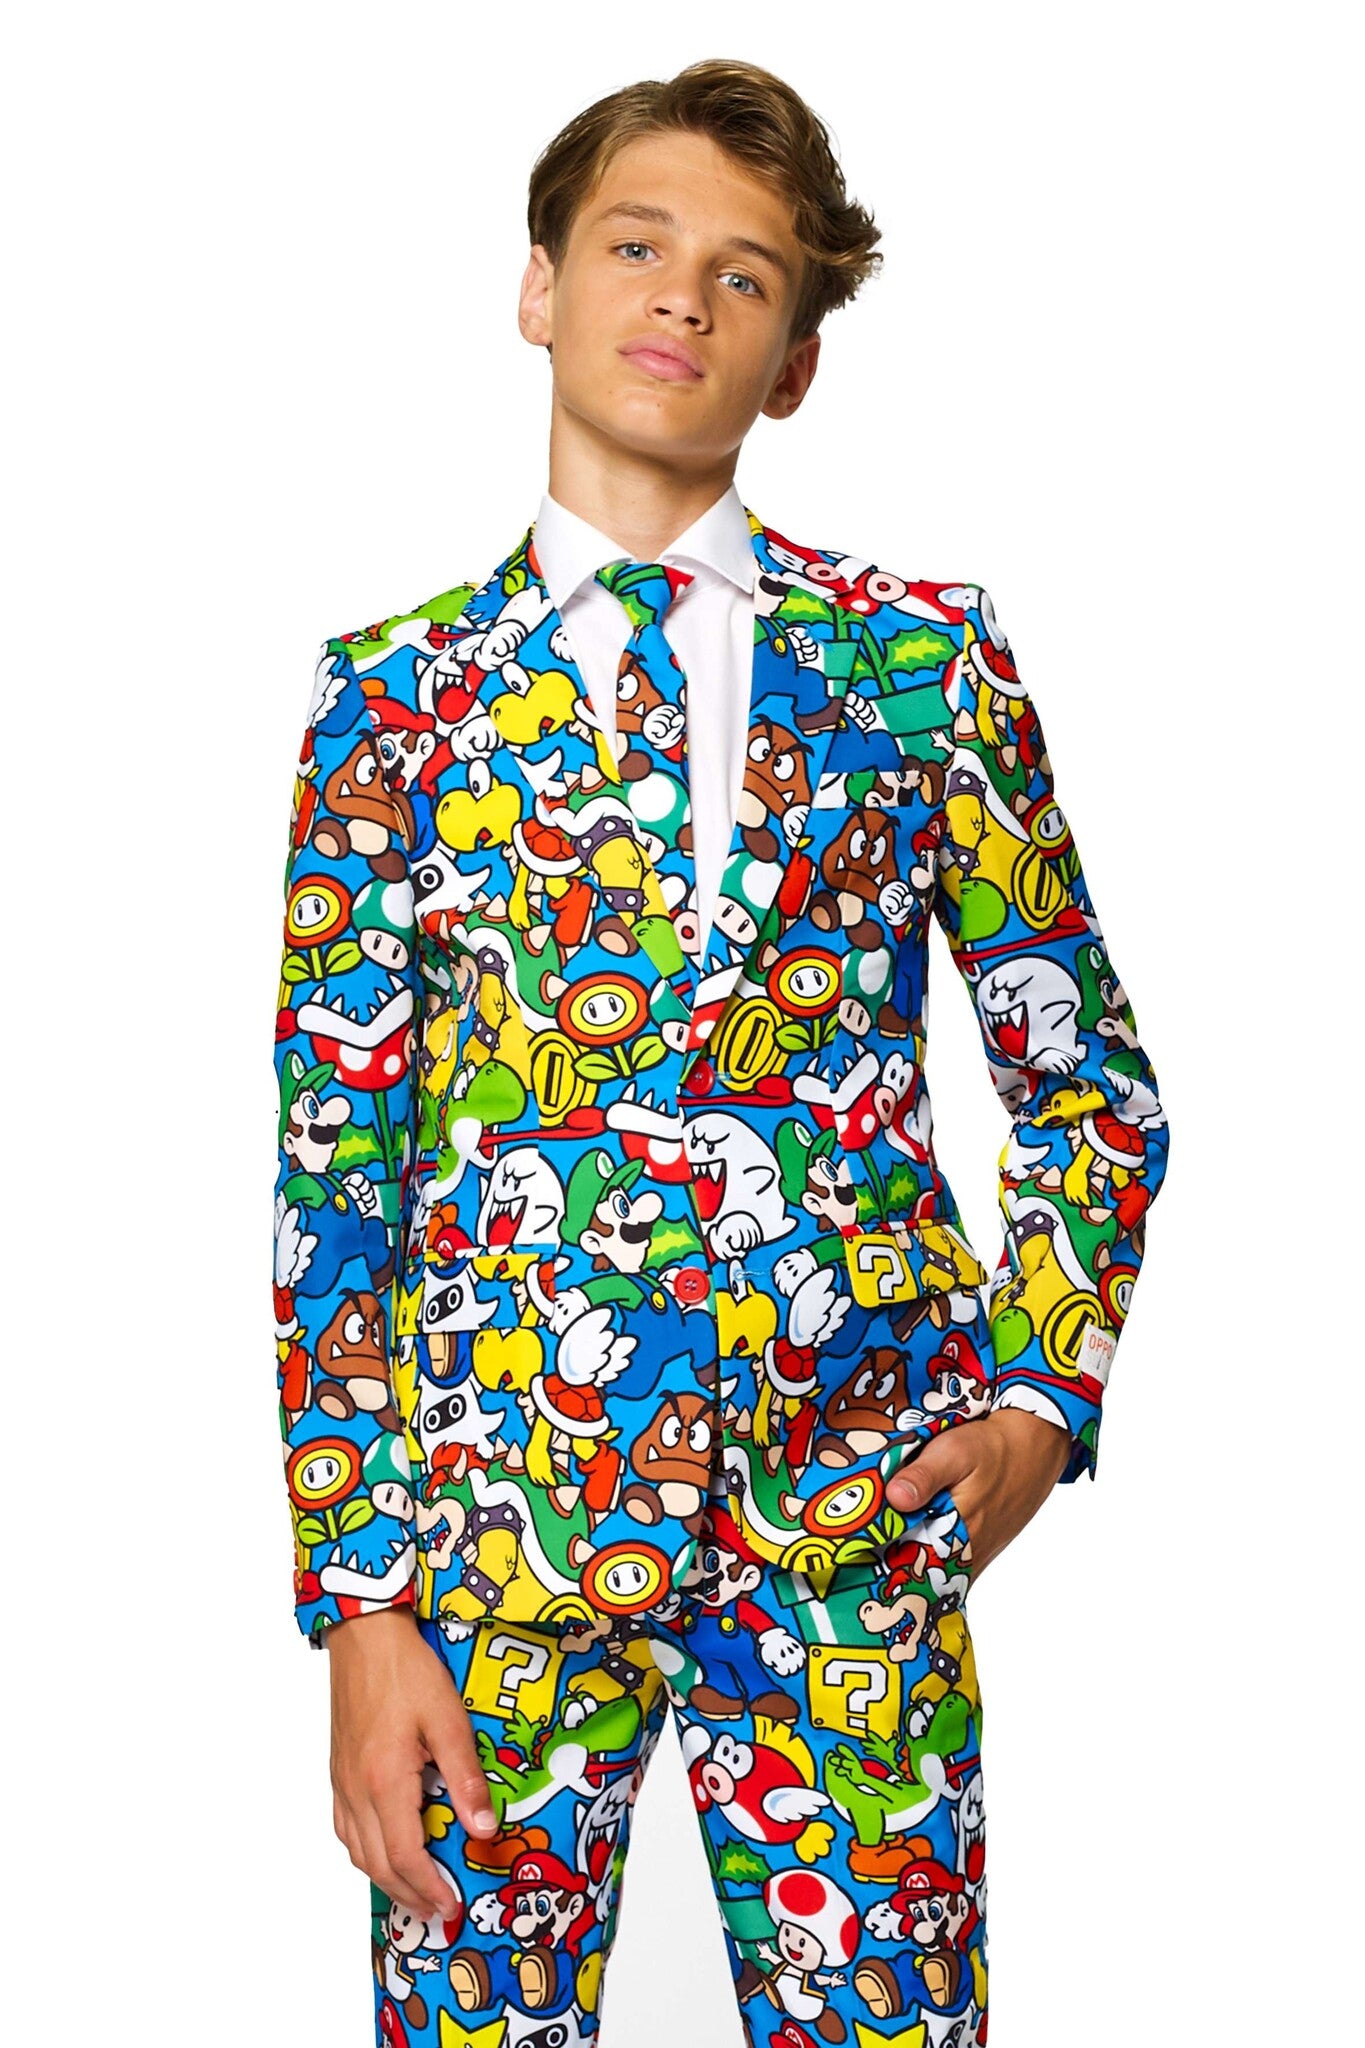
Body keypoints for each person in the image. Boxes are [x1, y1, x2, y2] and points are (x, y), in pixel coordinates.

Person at [270, 57, 1169, 2047]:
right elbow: (336, 1176)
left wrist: (1040, 1396)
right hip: (490, 1563)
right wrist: (359, 1606)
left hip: (851, 1534)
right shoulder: (389, 700)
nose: (681, 294)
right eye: (634, 247)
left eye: (743, 276)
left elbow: (1084, 1083)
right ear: (539, 289)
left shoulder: (923, 663)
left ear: (794, 363)